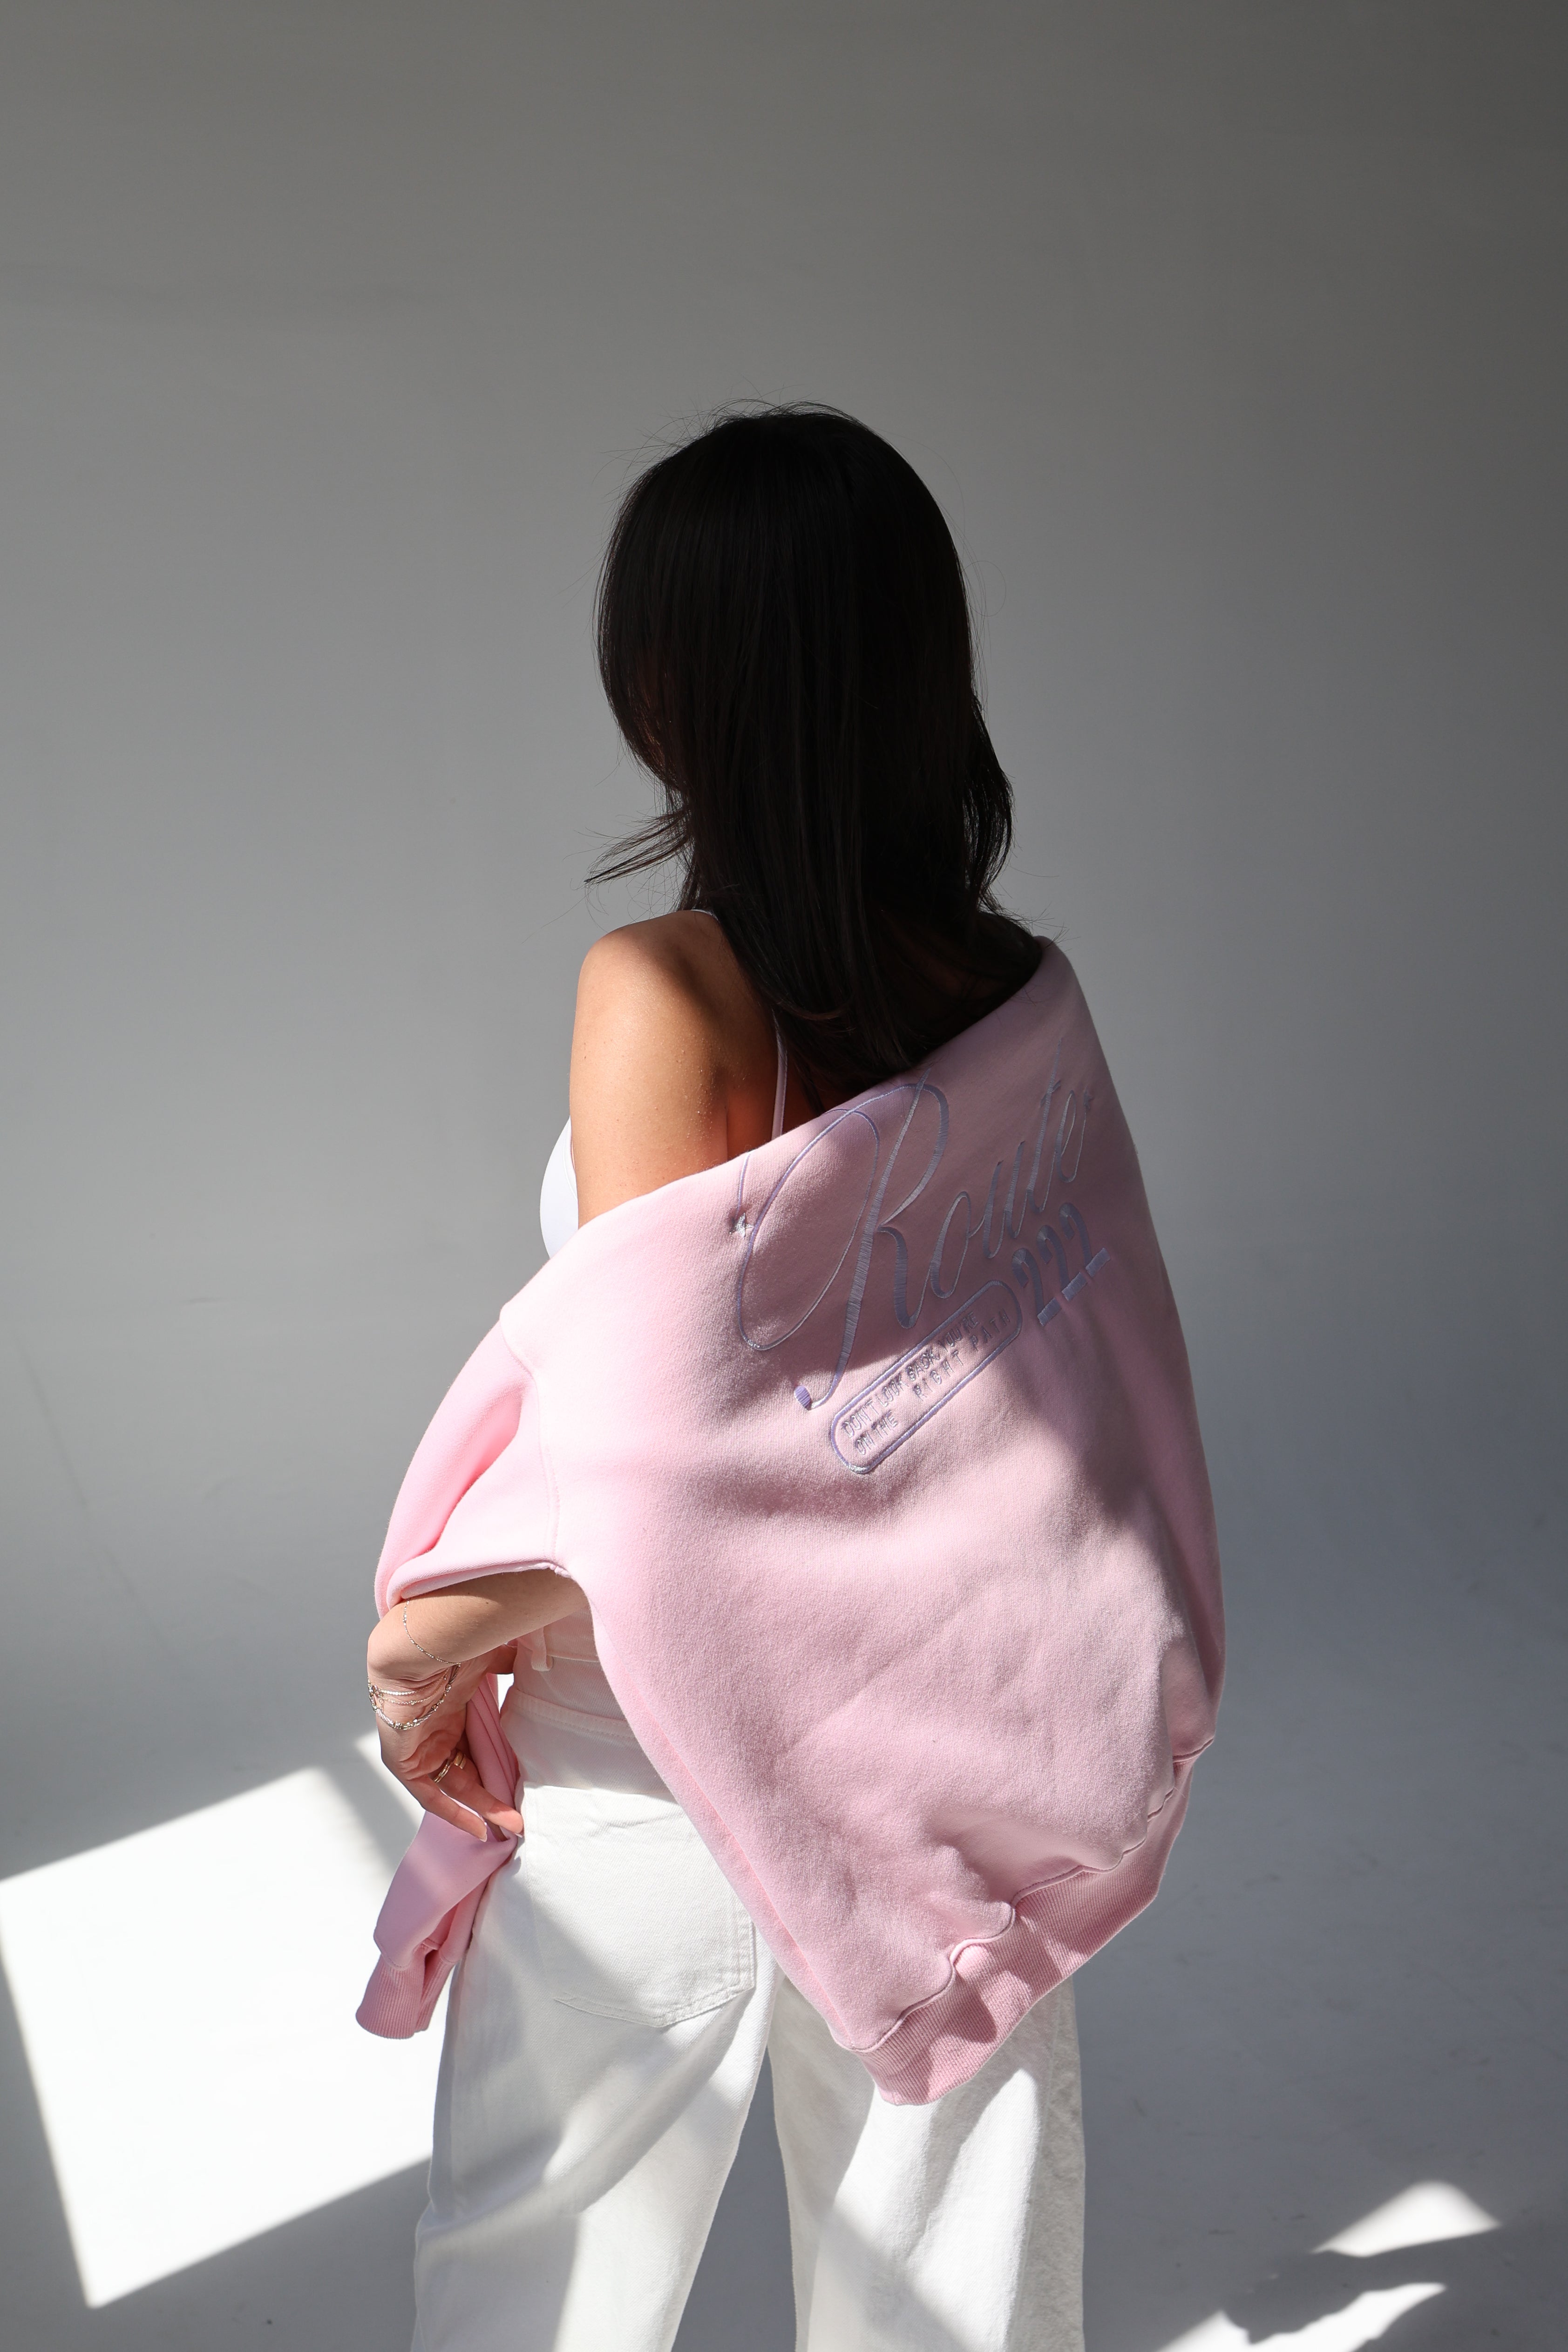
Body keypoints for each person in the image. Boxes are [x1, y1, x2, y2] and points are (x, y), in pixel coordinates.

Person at [363, 408, 1146, 2351]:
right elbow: (1054, 1405)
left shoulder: (665, 992)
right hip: (954, 1751)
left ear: (673, 686)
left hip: (667, 1773)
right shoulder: (1011, 989)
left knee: (538, 2292)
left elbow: (665, 1480)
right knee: (956, 2303)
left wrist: (424, 1644)